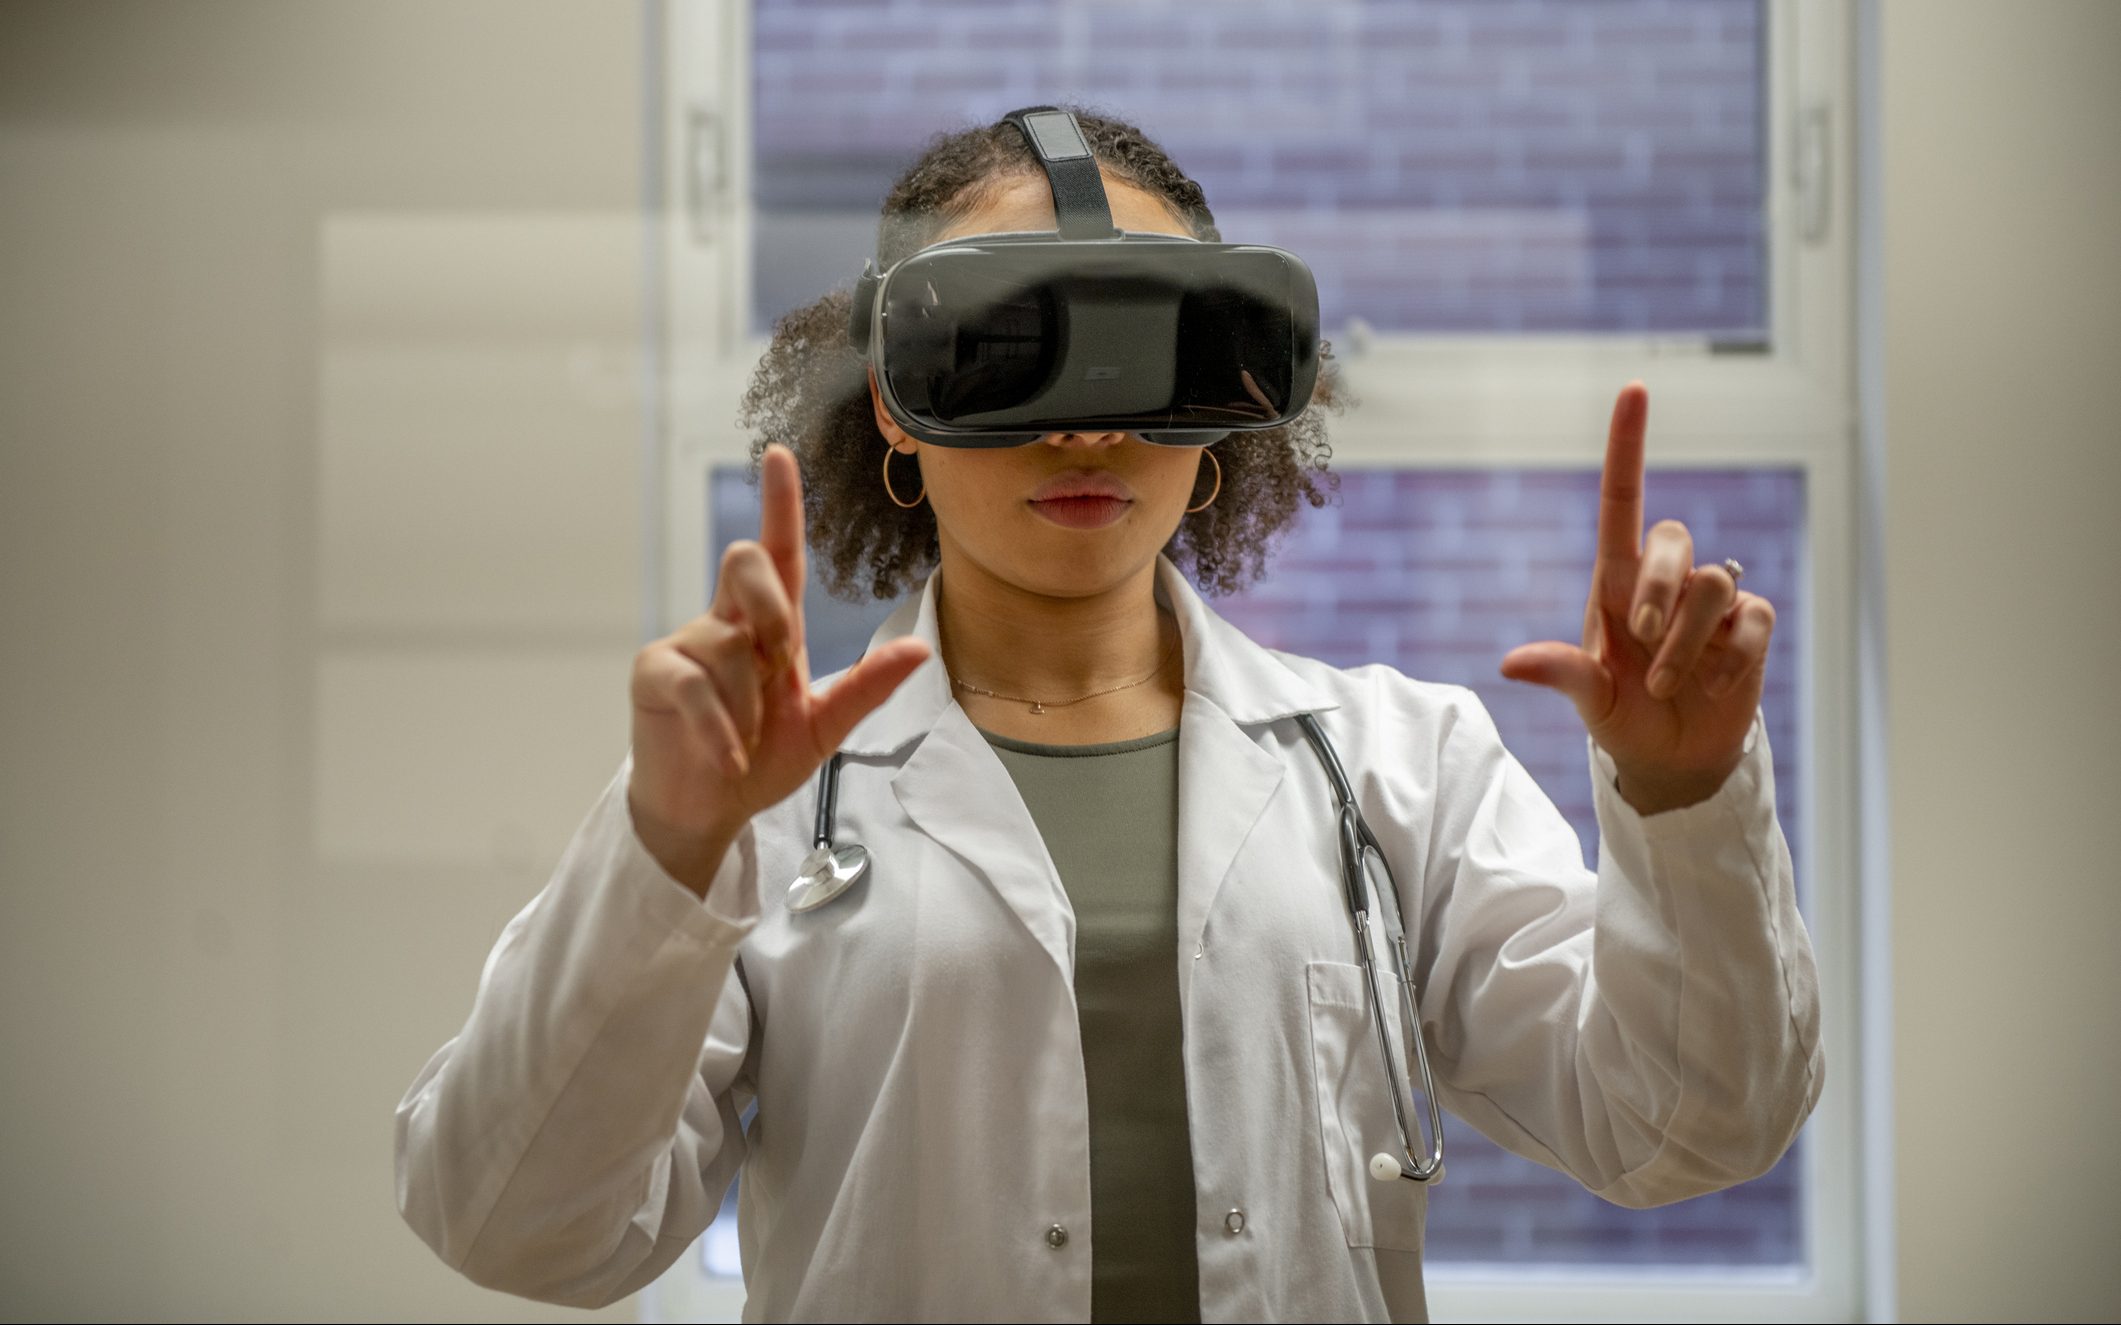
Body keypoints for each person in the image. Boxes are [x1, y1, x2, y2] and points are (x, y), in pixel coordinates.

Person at [395, 109, 1821, 1323]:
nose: (1087, 428)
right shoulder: (753, 797)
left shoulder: (1397, 765)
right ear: (896, 400)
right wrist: (663, 849)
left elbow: (1684, 1124)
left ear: (1227, 400)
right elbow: (517, 1223)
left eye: (1147, 348)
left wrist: (1685, 802)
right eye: (1009, 349)